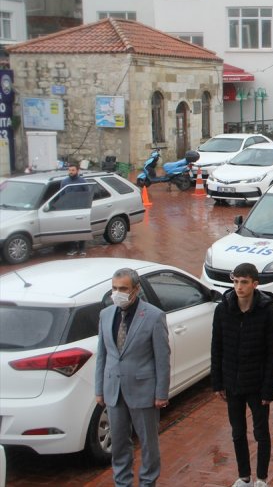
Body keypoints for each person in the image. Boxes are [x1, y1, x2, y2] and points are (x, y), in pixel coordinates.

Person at [95, 268, 170, 487]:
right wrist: (99, 389)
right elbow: (103, 354)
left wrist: (161, 393)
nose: (117, 293)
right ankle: (122, 482)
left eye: (123, 289)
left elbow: (162, 357)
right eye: (114, 288)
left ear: (136, 289)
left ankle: (147, 482)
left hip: (144, 391)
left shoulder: (154, 316)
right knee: (118, 444)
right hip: (114, 390)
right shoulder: (106, 315)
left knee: (148, 444)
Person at [211, 263, 273, 487]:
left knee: (261, 432)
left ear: (255, 284)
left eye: (243, 282)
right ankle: (244, 476)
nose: (238, 287)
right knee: (237, 431)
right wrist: (217, 383)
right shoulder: (223, 310)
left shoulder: (268, 311)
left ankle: (261, 477)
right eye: (235, 281)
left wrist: (269, 389)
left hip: (257, 384)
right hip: (232, 383)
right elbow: (217, 347)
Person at [61, 162, 91, 256]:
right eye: (69, 170)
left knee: (81, 228)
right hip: (69, 209)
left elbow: (87, 194)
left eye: (73, 170)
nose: (71, 172)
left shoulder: (82, 181)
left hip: (80, 209)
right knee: (71, 229)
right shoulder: (64, 182)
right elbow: (61, 195)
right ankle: (72, 248)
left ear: (77, 171)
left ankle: (82, 248)